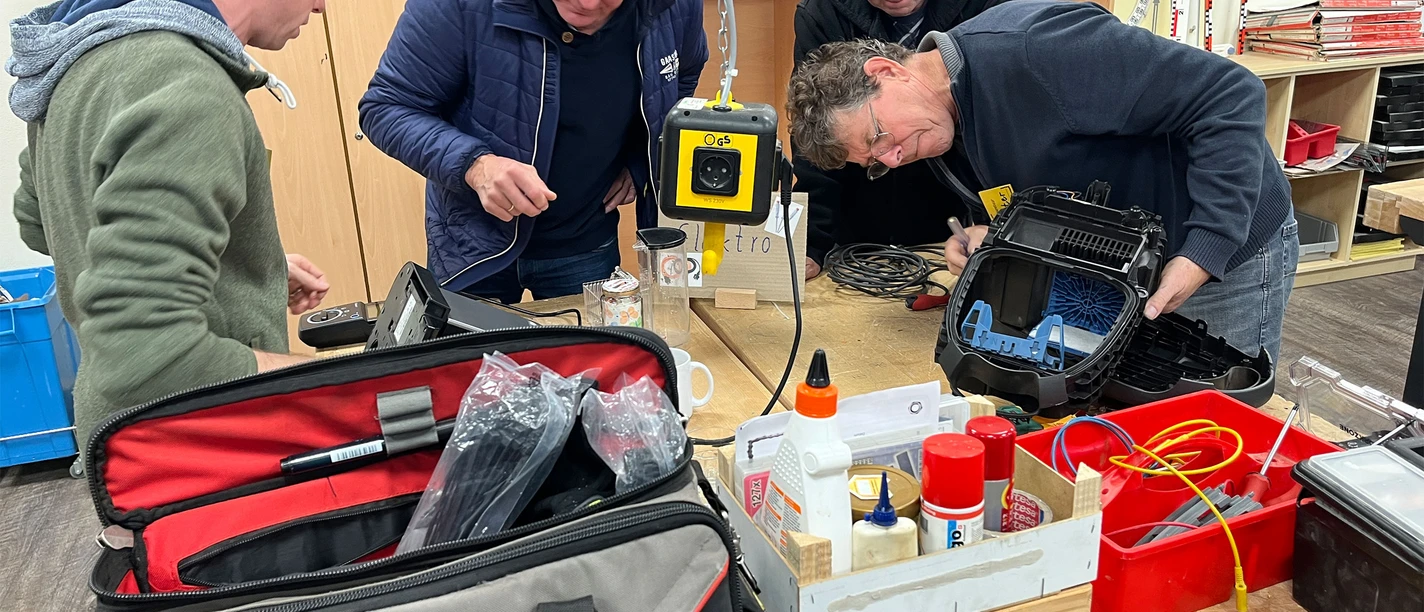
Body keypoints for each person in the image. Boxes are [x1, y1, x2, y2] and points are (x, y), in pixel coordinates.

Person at [786, 0, 1299, 362]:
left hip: (1224, 249)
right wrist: (1000, 230)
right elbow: (1047, 176)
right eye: (876, 160)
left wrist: (1205, 250)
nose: (894, 158)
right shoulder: (945, 122)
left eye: (880, 136)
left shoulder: (1034, 50)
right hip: (1125, 263)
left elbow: (1231, 92)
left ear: (887, 71)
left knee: (1216, 430)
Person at [9, 0, 331, 459]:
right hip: (195, 449)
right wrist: (332, 379)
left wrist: (246, 269)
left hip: (119, 445)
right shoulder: (187, 86)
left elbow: (42, 223)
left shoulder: (83, 54)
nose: (321, 6)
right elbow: (148, 356)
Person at [359, 0, 708, 303]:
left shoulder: (672, 6)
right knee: (469, 374)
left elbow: (681, 78)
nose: (586, 5)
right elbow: (386, 107)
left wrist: (637, 160)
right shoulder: (460, 7)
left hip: (586, 239)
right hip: (472, 245)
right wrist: (476, 167)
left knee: (588, 375)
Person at [794, 0, 1007, 280]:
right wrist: (811, 242)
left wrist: (995, 231)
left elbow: (1007, 138)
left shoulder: (993, 12)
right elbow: (820, 138)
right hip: (862, 238)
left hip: (956, 224)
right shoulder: (822, 13)